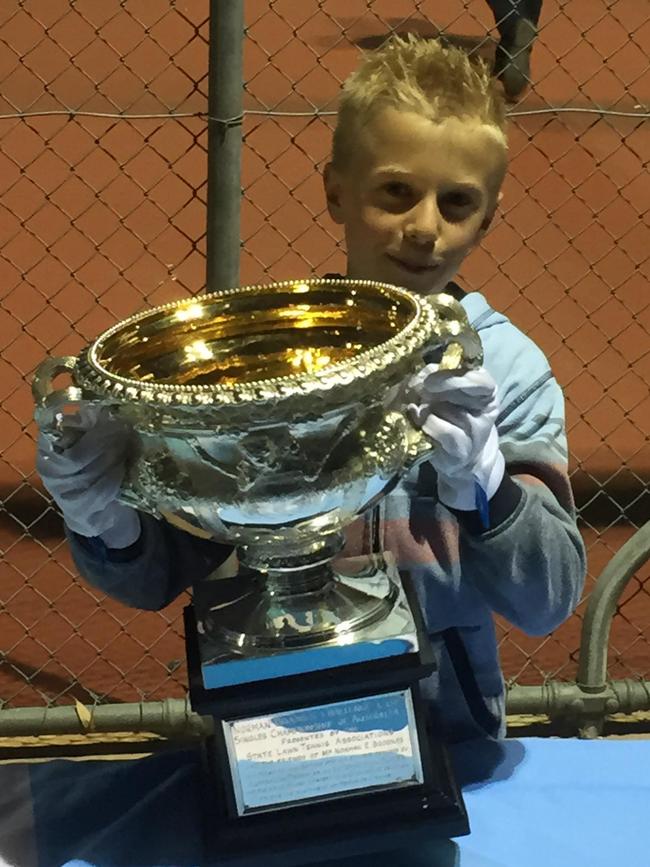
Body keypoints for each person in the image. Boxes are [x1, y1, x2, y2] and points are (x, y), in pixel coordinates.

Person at [36, 35, 586, 743]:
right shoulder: (261, 362)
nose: (424, 226)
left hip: (444, 728)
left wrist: (490, 491)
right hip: (270, 721)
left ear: (489, 216)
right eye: (396, 191)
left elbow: (546, 601)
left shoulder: (505, 371)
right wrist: (104, 519)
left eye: (456, 202)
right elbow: (156, 578)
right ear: (335, 190)